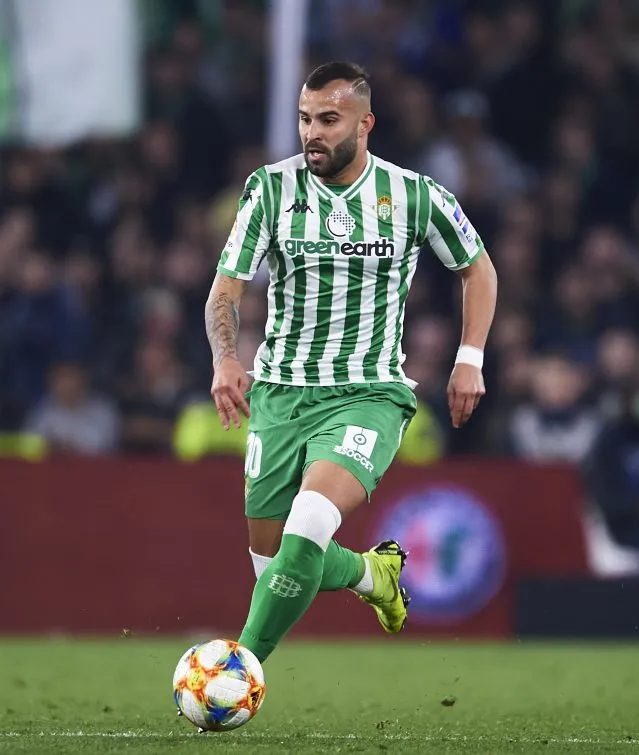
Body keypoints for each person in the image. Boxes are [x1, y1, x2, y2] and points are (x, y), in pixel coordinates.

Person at [204, 62, 497, 665]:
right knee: (275, 564)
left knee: (309, 522)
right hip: (280, 396)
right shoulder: (271, 189)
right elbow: (226, 288)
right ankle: (373, 576)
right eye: (305, 119)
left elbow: (479, 268)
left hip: (368, 393)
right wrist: (226, 358)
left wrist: (470, 357)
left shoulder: (416, 195)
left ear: (365, 123)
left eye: (328, 120)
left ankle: (240, 670)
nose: (313, 132)